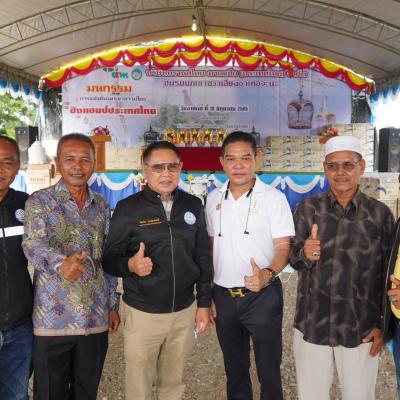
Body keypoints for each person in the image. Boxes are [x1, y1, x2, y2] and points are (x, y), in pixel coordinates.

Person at [102, 140, 212, 400]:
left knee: (173, 382)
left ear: (181, 168)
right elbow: (108, 260)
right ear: (145, 169)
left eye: (172, 167)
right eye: (158, 167)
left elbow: (203, 257)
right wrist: (130, 265)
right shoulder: (128, 209)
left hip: (183, 311)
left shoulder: (193, 205)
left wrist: (204, 303)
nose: (166, 173)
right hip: (143, 314)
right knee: (139, 384)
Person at [290, 135, 394, 400]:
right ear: (325, 169)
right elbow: (293, 259)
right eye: (333, 165)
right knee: (311, 396)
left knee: (359, 395)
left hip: (360, 327)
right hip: (312, 324)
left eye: (348, 165)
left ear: (361, 167)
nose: (340, 172)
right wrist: (304, 253)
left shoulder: (380, 215)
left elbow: (388, 275)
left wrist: (383, 325)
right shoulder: (307, 209)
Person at [22, 133, 120, 400]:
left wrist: (113, 305)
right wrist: (60, 263)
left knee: (86, 391)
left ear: (94, 163)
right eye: (70, 159)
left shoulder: (101, 206)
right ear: (57, 162)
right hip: (53, 320)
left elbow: (108, 257)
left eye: (85, 159)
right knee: (49, 392)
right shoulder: (39, 201)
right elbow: (32, 244)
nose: (78, 166)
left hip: (95, 317)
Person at [205, 131, 294, 400]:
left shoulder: (273, 198)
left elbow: (283, 247)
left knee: (269, 371)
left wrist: (267, 274)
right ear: (222, 162)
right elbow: (210, 248)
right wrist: (209, 294)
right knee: (234, 372)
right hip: (224, 297)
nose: (238, 165)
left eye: (245, 158)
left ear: (257, 158)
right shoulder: (213, 199)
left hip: (262, 297)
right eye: (231, 159)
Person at [0, 136, 33, 400]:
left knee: (15, 394)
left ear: (18, 166)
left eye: (7, 162)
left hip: (19, 326)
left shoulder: (27, 204)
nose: (0, 169)